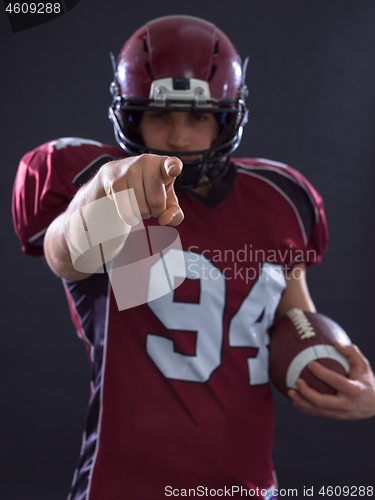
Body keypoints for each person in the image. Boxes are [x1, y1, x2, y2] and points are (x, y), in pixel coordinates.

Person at [12, 14, 375, 500]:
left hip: (249, 487)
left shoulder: (281, 198)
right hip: (126, 487)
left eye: (198, 117)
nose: (179, 138)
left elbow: (292, 316)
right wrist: (107, 197)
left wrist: (340, 373)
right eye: (161, 115)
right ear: (130, 116)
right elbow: (66, 255)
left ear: (227, 117)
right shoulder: (101, 183)